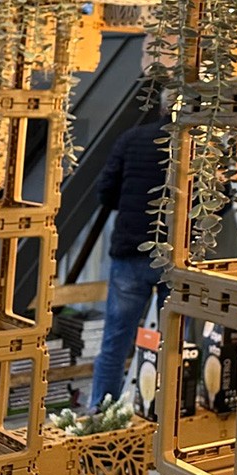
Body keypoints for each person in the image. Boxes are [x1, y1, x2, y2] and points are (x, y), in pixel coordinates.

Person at [88, 112, 170, 409]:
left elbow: (106, 193)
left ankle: (101, 410)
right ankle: (165, 411)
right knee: (173, 343)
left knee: (115, 340)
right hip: (176, 258)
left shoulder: (131, 138)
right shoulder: (199, 144)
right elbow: (219, 201)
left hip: (130, 251)